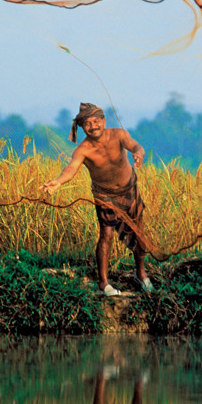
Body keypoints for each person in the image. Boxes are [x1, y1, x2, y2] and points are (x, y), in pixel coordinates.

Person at [40, 103, 153, 296]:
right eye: (87, 124)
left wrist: (138, 153)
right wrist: (57, 182)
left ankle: (141, 274)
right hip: (105, 196)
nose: (93, 127)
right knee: (106, 235)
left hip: (129, 190)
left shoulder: (119, 134)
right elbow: (71, 168)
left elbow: (135, 145)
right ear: (82, 127)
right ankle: (103, 283)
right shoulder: (83, 150)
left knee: (138, 231)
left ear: (103, 121)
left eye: (96, 121)